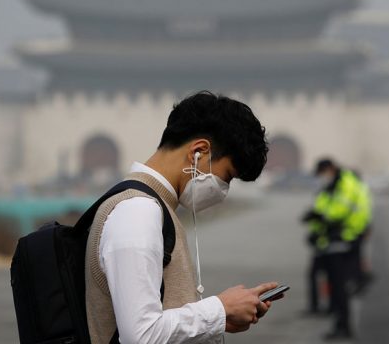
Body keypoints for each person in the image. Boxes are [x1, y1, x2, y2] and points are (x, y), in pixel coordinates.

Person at [84, 91, 279, 344]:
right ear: (199, 151)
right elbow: (141, 336)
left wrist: (224, 317)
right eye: (227, 176)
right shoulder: (138, 212)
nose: (224, 189)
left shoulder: (154, 206)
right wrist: (219, 308)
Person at [306, 159, 372, 341]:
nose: (322, 178)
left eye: (322, 173)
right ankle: (338, 320)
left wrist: (321, 220)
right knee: (335, 284)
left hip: (344, 239)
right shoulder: (336, 184)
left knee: (339, 285)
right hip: (335, 239)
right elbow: (325, 207)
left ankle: (343, 325)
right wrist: (315, 226)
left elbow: (339, 210)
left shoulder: (345, 183)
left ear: (329, 169)